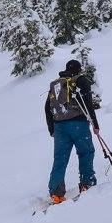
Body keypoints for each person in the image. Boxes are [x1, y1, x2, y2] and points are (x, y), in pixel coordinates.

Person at [44, 59, 100, 204]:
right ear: (79, 69)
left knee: (60, 158)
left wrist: (52, 129)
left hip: (59, 127)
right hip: (78, 123)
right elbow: (88, 103)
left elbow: (47, 108)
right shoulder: (80, 80)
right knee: (86, 152)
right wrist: (95, 124)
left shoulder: (56, 84)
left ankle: (56, 193)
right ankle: (87, 183)